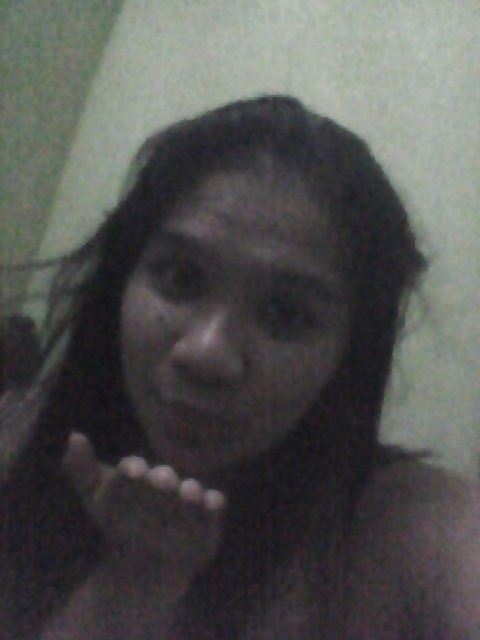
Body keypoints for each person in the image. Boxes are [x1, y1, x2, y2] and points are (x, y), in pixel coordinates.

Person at [0, 95, 478, 640]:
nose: (207, 355)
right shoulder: (18, 442)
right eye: (180, 278)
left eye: (286, 314)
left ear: (349, 351)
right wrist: (133, 580)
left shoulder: (411, 527)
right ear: (122, 280)